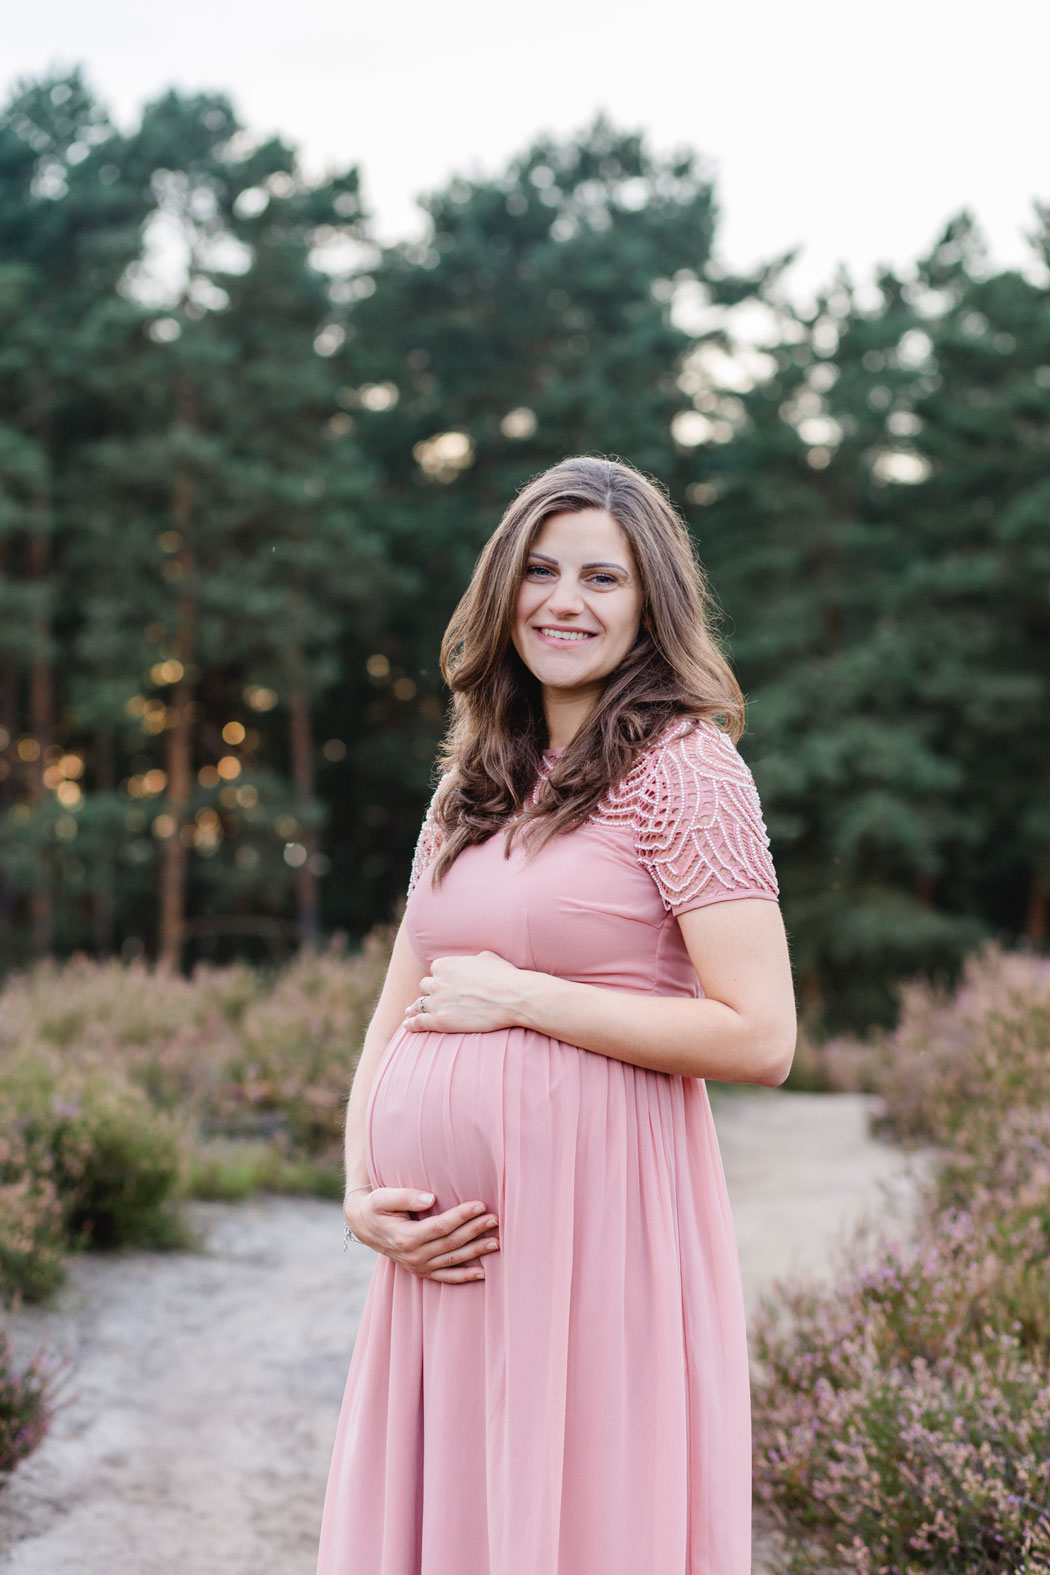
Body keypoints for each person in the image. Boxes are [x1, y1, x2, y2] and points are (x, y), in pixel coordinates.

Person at [316, 454, 796, 1575]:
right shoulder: (471, 778)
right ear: (503, 590)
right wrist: (358, 1198)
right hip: (441, 1261)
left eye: (602, 578)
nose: (564, 602)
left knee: (572, 1521)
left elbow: (762, 1035)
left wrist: (524, 998)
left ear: (648, 607)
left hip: (598, 1235)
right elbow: (395, 1019)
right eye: (540, 570)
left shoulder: (689, 771)